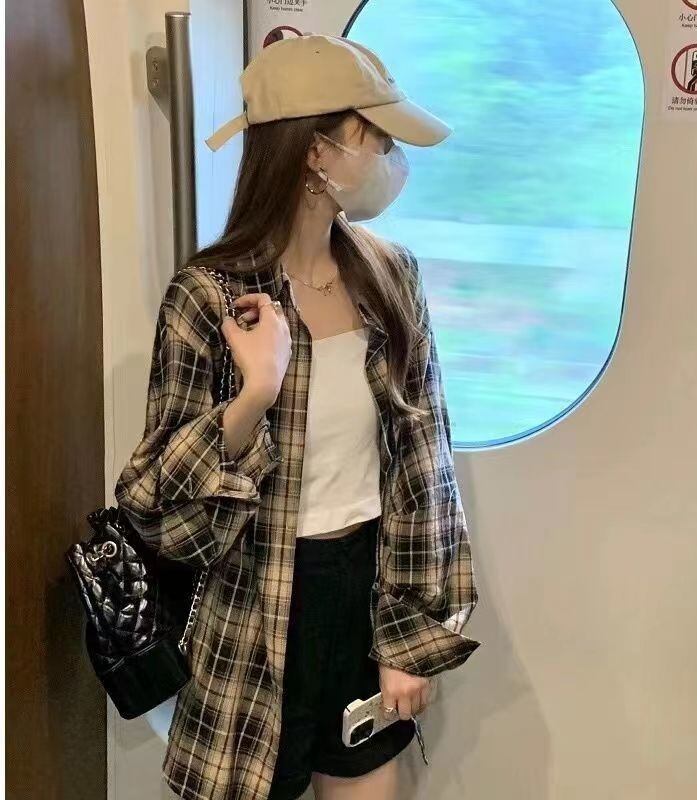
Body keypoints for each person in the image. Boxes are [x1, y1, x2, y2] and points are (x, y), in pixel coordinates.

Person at [114, 33, 480, 800]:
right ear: (317, 152)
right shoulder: (209, 296)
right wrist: (255, 394)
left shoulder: (390, 276)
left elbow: (425, 464)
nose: (390, 158)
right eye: (375, 137)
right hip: (251, 612)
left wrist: (411, 635)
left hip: (364, 597)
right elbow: (157, 512)